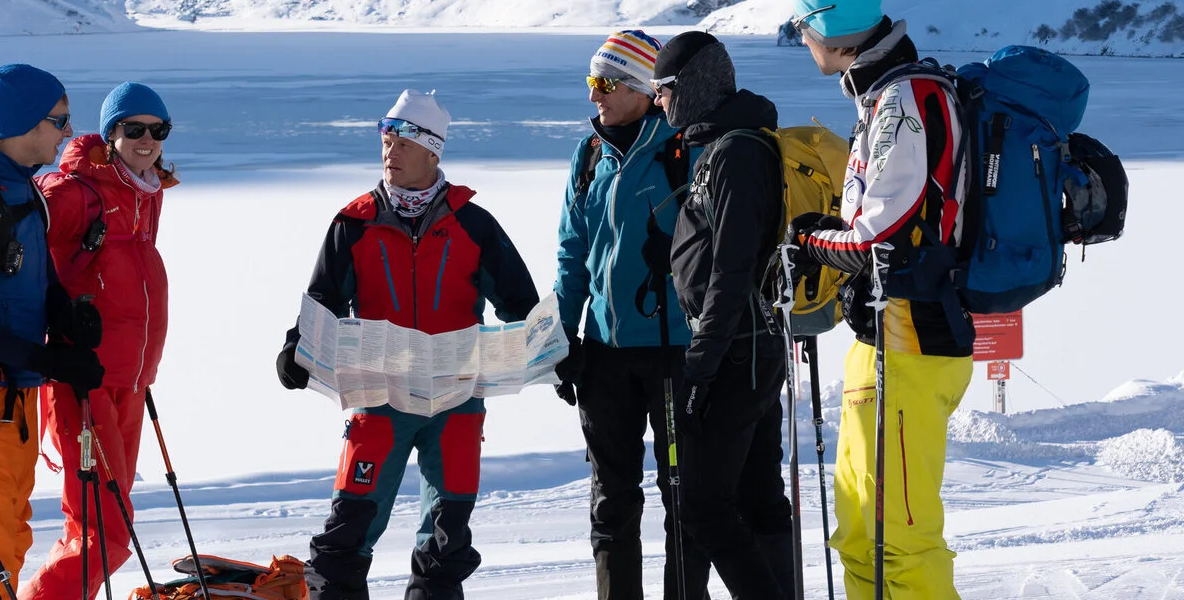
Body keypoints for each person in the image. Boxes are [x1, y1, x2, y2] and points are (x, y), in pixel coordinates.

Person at [273, 90, 540, 600]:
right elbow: (323, 299)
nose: (389, 151)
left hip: (457, 401)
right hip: (378, 399)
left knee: (446, 543)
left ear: (433, 152)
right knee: (344, 536)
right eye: (386, 140)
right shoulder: (354, 222)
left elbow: (519, 304)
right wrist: (296, 346)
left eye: (402, 142)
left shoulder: (473, 224)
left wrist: (554, 352)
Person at [787, 2, 974, 599]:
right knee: (861, 529)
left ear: (828, 28)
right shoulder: (886, 97)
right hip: (885, 338)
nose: (801, 40)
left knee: (899, 538)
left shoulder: (904, 100)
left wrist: (805, 239)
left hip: (911, 337)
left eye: (802, 28)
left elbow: (878, 238)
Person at [552, 30, 713, 600]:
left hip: (672, 351)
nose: (594, 96)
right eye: (591, 82)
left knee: (683, 499)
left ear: (645, 88)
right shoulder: (589, 152)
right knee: (611, 500)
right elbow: (574, 251)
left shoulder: (685, 150)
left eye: (606, 83)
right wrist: (560, 339)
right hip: (601, 354)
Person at [0, 63, 107, 599]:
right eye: (60, 121)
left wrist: (64, 314)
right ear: (24, 123)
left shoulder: (24, 192)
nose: (67, 134)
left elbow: (39, 276)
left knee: (9, 536)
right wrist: (48, 359)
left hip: (15, 393)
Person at [651, 31, 796, 599]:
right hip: (749, 350)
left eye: (665, 89)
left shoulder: (737, 153)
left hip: (738, 353)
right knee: (757, 498)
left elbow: (732, 271)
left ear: (693, 87)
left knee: (705, 511)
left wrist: (701, 366)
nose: (659, 101)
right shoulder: (724, 146)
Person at [24, 81, 180, 598]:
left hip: (131, 381)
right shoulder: (72, 193)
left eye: (157, 130)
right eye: (133, 129)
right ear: (109, 133)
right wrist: (58, 334)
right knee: (108, 534)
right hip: (82, 381)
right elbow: (21, 264)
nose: (146, 139)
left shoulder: (146, 194)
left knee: (93, 522)